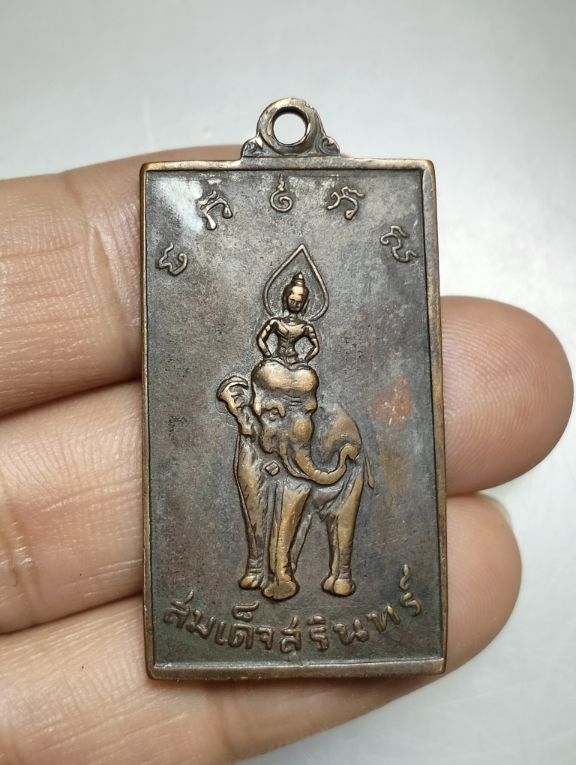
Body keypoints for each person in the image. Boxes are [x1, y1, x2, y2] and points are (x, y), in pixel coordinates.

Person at [0, 146, 571, 764]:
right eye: (290, 301)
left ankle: (295, 570)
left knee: (300, 497)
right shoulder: (268, 360)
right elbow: (262, 368)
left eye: (302, 303)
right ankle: (259, 564)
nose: (296, 305)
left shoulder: (304, 371)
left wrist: (293, 414)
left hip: (299, 440)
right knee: (252, 497)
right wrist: (254, 411)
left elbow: (304, 390)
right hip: (260, 431)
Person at [257, 272, 320, 366]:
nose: (295, 304)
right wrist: (267, 355)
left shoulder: (306, 327)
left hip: (294, 361)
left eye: (299, 302)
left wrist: (305, 361)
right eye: (292, 300)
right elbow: (260, 339)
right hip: (276, 359)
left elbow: (316, 347)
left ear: (305, 303)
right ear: (285, 298)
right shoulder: (276, 323)